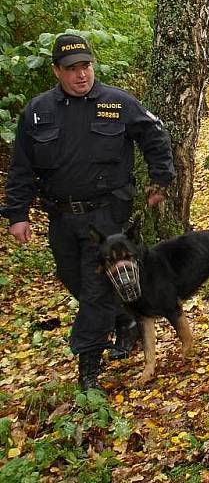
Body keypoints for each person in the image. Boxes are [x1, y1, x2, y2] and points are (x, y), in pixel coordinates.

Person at [1, 33, 175, 389]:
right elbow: (22, 167)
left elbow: (154, 135)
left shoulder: (117, 103)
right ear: (56, 71)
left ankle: (88, 368)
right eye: (72, 69)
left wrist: (160, 180)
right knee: (74, 280)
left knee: (96, 289)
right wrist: (17, 213)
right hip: (61, 217)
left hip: (107, 217)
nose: (81, 75)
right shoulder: (38, 112)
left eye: (86, 66)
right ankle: (125, 321)